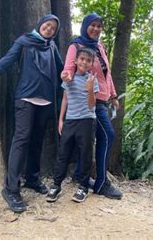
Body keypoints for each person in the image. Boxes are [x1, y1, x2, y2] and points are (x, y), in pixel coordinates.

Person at [0, 14, 63, 213]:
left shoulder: (52, 46)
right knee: (21, 140)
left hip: (46, 101)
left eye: (53, 28)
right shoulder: (25, 41)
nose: (49, 30)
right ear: (39, 25)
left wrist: (73, 78)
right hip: (26, 98)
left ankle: (32, 178)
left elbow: (62, 70)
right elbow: (7, 60)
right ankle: (11, 189)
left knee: (37, 141)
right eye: (47, 26)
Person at [61, 13, 122, 199]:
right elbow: (69, 68)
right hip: (87, 100)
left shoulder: (99, 47)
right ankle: (101, 182)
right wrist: (67, 75)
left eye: (98, 26)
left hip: (102, 98)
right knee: (107, 135)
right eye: (92, 25)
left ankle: (82, 175)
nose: (95, 29)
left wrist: (113, 95)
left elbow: (107, 73)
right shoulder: (76, 45)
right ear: (85, 26)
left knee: (89, 141)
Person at [46, 48, 99, 203]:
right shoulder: (68, 77)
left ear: (91, 64)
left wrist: (90, 90)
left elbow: (92, 105)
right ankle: (56, 185)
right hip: (70, 120)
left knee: (85, 154)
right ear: (76, 60)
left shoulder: (91, 80)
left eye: (88, 60)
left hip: (87, 120)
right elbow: (65, 100)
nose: (84, 62)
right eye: (82, 59)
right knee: (63, 153)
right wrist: (61, 120)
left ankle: (83, 187)